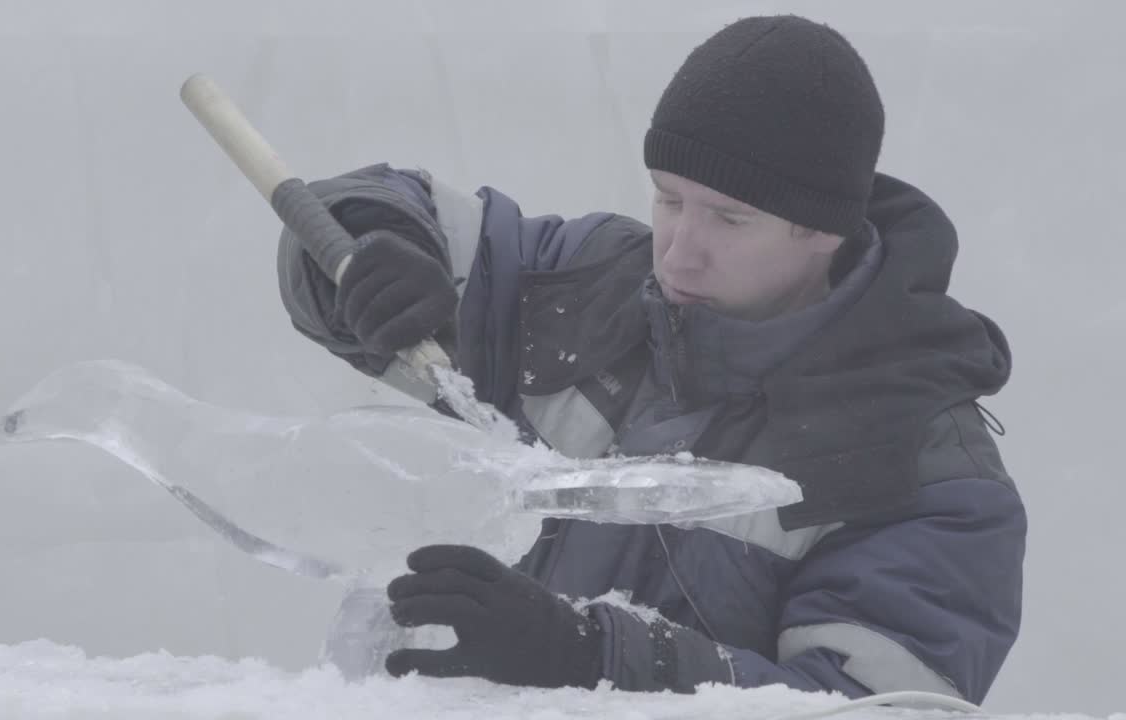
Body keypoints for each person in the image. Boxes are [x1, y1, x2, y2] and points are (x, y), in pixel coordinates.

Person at [277, 14, 1025, 703]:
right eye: (669, 199)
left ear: (824, 231)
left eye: (730, 218)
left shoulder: (924, 473)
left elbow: (872, 710)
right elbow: (384, 208)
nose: (679, 253)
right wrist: (380, 249)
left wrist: (590, 657)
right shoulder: (583, 280)